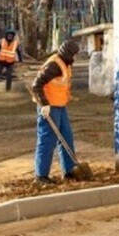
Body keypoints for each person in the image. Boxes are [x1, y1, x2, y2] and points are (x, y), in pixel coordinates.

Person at [31, 40, 80, 185]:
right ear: (68, 54)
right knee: (47, 140)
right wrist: (44, 104)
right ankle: (41, 176)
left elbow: (59, 85)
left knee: (66, 137)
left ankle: (69, 171)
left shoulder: (64, 63)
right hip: (49, 107)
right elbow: (36, 85)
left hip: (60, 105)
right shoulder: (54, 65)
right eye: (74, 54)